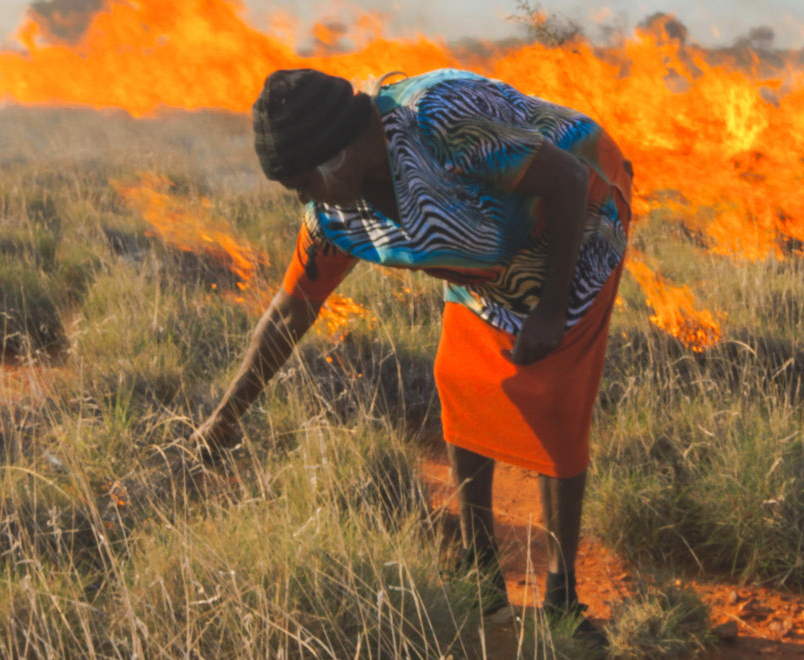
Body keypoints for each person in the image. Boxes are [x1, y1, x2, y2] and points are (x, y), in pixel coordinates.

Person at [191, 67, 632, 640]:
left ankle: (563, 600)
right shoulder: (334, 215)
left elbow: (569, 180)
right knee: (460, 380)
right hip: (479, 240)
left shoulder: (439, 123)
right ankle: (480, 575)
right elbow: (290, 311)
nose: (305, 199)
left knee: (549, 395)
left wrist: (549, 311)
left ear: (340, 152)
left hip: (580, 213)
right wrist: (226, 415)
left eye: (305, 182)